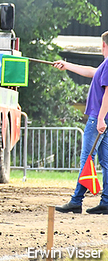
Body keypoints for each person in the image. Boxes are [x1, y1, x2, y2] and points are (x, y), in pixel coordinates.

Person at [52, 31, 108, 215]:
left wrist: (100, 118)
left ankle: (76, 201)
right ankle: (106, 201)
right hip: (104, 119)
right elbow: (91, 72)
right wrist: (66, 65)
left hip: (98, 119)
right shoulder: (104, 65)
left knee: (87, 160)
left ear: (104, 45)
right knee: (105, 162)